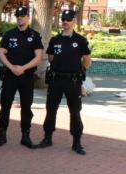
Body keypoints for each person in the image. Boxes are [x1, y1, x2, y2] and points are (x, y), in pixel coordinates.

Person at [37, 10, 92, 155]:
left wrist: (77, 70)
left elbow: (87, 61)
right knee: (50, 109)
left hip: (73, 82)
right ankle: (47, 138)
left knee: (75, 111)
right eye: (63, 19)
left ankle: (77, 142)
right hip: (56, 80)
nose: (65, 22)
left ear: (74, 21)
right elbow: (50, 58)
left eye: (68, 19)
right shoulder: (55, 40)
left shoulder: (80, 40)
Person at [0, 6, 43, 148]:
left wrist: (23, 68)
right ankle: (2, 136)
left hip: (26, 77)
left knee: (27, 107)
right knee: (5, 106)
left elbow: (38, 57)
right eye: (18, 16)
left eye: (22, 15)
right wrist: (12, 67)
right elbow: (1, 53)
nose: (20, 18)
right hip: (10, 76)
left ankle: (25, 137)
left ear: (28, 17)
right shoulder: (9, 34)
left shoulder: (34, 35)